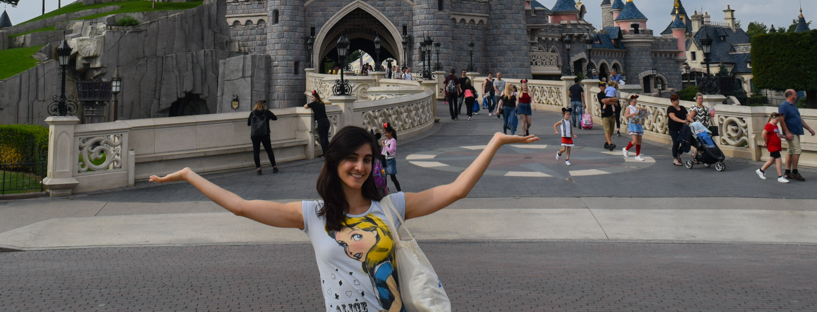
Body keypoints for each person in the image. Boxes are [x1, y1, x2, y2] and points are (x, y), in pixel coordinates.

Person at [148, 125, 538, 312]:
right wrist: (189, 175)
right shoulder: (311, 215)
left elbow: (455, 190)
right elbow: (240, 205)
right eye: (352, 158)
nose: (360, 167)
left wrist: (495, 142)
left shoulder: (391, 207)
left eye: (367, 159)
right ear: (335, 162)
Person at [778, 89, 816, 181]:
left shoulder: (793, 106)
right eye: (795, 94)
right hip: (791, 133)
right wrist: (787, 132)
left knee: (790, 151)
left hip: (795, 132)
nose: (797, 95)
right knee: (797, 151)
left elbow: (799, 119)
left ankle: (787, 172)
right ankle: (794, 172)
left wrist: (809, 128)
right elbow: (781, 120)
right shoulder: (784, 106)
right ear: (790, 96)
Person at [756, 112, 790, 183]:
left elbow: (778, 134)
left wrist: (785, 136)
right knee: (779, 160)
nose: (777, 122)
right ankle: (780, 176)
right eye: (777, 120)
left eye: (778, 121)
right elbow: (763, 133)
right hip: (772, 145)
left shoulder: (775, 126)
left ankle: (761, 170)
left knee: (772, 161)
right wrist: (765, 141)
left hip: (776, 145)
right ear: (772, 118)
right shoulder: (769, 125)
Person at [247, 100, 279, 175]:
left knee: (256, 152)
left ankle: (258, 169)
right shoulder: (266, 112)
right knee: (269, 150)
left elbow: (248, 123)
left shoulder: (253, 113)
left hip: (255, 135)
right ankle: (274, 167)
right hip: (265, 134)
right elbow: (275, 118)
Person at [305, 90, 332, 157]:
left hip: (321, 122)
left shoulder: (314, 104)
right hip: (326, 121)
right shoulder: (322, 103)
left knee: (322, 139)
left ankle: (325, 154)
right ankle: (329, 153)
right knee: (326, 138)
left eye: (312, 97)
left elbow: (306, 106)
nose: (311, 98)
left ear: (316, 98)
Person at [666, 93, 690, 166]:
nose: (678, 101)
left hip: (682, 129)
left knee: (685, 142)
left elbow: (687, 116)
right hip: (674, 129)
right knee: (676, 143)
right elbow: (673, 117)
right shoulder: (670, 108)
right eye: (676, 100)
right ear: (672, 101)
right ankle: (675, 158)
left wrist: (691, 120)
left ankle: (679, 153)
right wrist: (682, 121)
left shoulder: (682, 108)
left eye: (678, 99)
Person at [380, 122, 401, 192]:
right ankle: (385, 191)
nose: (385, 134)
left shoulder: (393, 141)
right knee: (384, 177)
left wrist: (384, 145)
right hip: (384, 161)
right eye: (384, 133)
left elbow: (390, 151)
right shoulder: (386, 140)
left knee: (393, 177)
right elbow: (383, 151)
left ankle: (399, 191)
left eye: (386, 133)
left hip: (390, 161)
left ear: (390, 133)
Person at [622, 94, 644, 161]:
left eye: (635, 102)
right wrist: (633, 114)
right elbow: (626, 116)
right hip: (632, 124)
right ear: (630, 102)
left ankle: (637, 155)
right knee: (635, 140)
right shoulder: (629, 107)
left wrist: (642, 112)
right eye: (634, 102)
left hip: (638, 123)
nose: (635, 103)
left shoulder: (637, 107)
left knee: (639, 140)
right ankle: (626, 149)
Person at [597, 82, 618, 150]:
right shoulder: (600, 94)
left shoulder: (610, 92)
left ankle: (606, 143)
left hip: (612, 114)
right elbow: (603, 101)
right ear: (599, 87)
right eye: (602, 86)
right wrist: (613, 102)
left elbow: (616, 99)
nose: (604, 87)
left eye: (604, 85)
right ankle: (610, 144)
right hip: (605, 115)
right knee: (607, 130)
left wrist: (609, 100)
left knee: (611, 131)